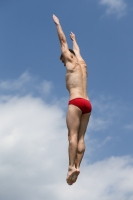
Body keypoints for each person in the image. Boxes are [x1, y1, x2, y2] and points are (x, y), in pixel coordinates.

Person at [52, 14, 92, 186]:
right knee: (81, 137)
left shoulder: (69, 60)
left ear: (67, 56)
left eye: (63, 60)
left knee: (72, 136)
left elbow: (62, 42)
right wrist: (74, 39)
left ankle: (70, 166)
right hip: (87, 104)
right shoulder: (82, 63)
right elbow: (77, 51)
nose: (64, 63)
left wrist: (58, 25)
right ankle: (77, 166)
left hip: (75, 102)